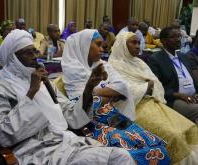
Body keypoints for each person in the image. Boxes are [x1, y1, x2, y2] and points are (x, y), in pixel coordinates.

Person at [0, 29, 136, 165]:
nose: (35, 56)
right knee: (119, 158)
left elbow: (71, 115)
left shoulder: (44, 82)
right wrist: (32, 92)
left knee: (121, 156)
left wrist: (88, 87)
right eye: (28, 52)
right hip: (36, 151)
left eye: (35, 50)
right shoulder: (0, 89)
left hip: (65, 142)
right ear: (13, 57)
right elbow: (2, 136)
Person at [61, 29, 170, 165]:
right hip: (91, 122)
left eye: (103, 46)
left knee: (154, 144)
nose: (102, 50)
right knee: (137, 152)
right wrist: (107, 94)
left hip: (111, 114)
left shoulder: (103, 64)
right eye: (98, 45)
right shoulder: (72, 69)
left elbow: (123, 87)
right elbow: (82, 102)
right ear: (84, 46)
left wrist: (93, 90)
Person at [109, 31, 198, 164]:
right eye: (133, 42)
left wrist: (149, 87)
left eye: (139, 42)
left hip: (153, 102)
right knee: (174, 135)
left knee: (190, 127)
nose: (137, 46)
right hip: (132, 108)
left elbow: (156, 84)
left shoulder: (139, 62)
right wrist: (146, 87)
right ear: (122, 45)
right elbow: (122, 91)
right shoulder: (112, 65)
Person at [148, 26, 198, 124]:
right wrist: (180, 95)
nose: (178, 39)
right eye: (173, 37)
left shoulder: (183, 56)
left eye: (179, 36)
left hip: (193, 96)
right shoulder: (156, 59)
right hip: (174, 99)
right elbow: (157, 87)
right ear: (164, 41)